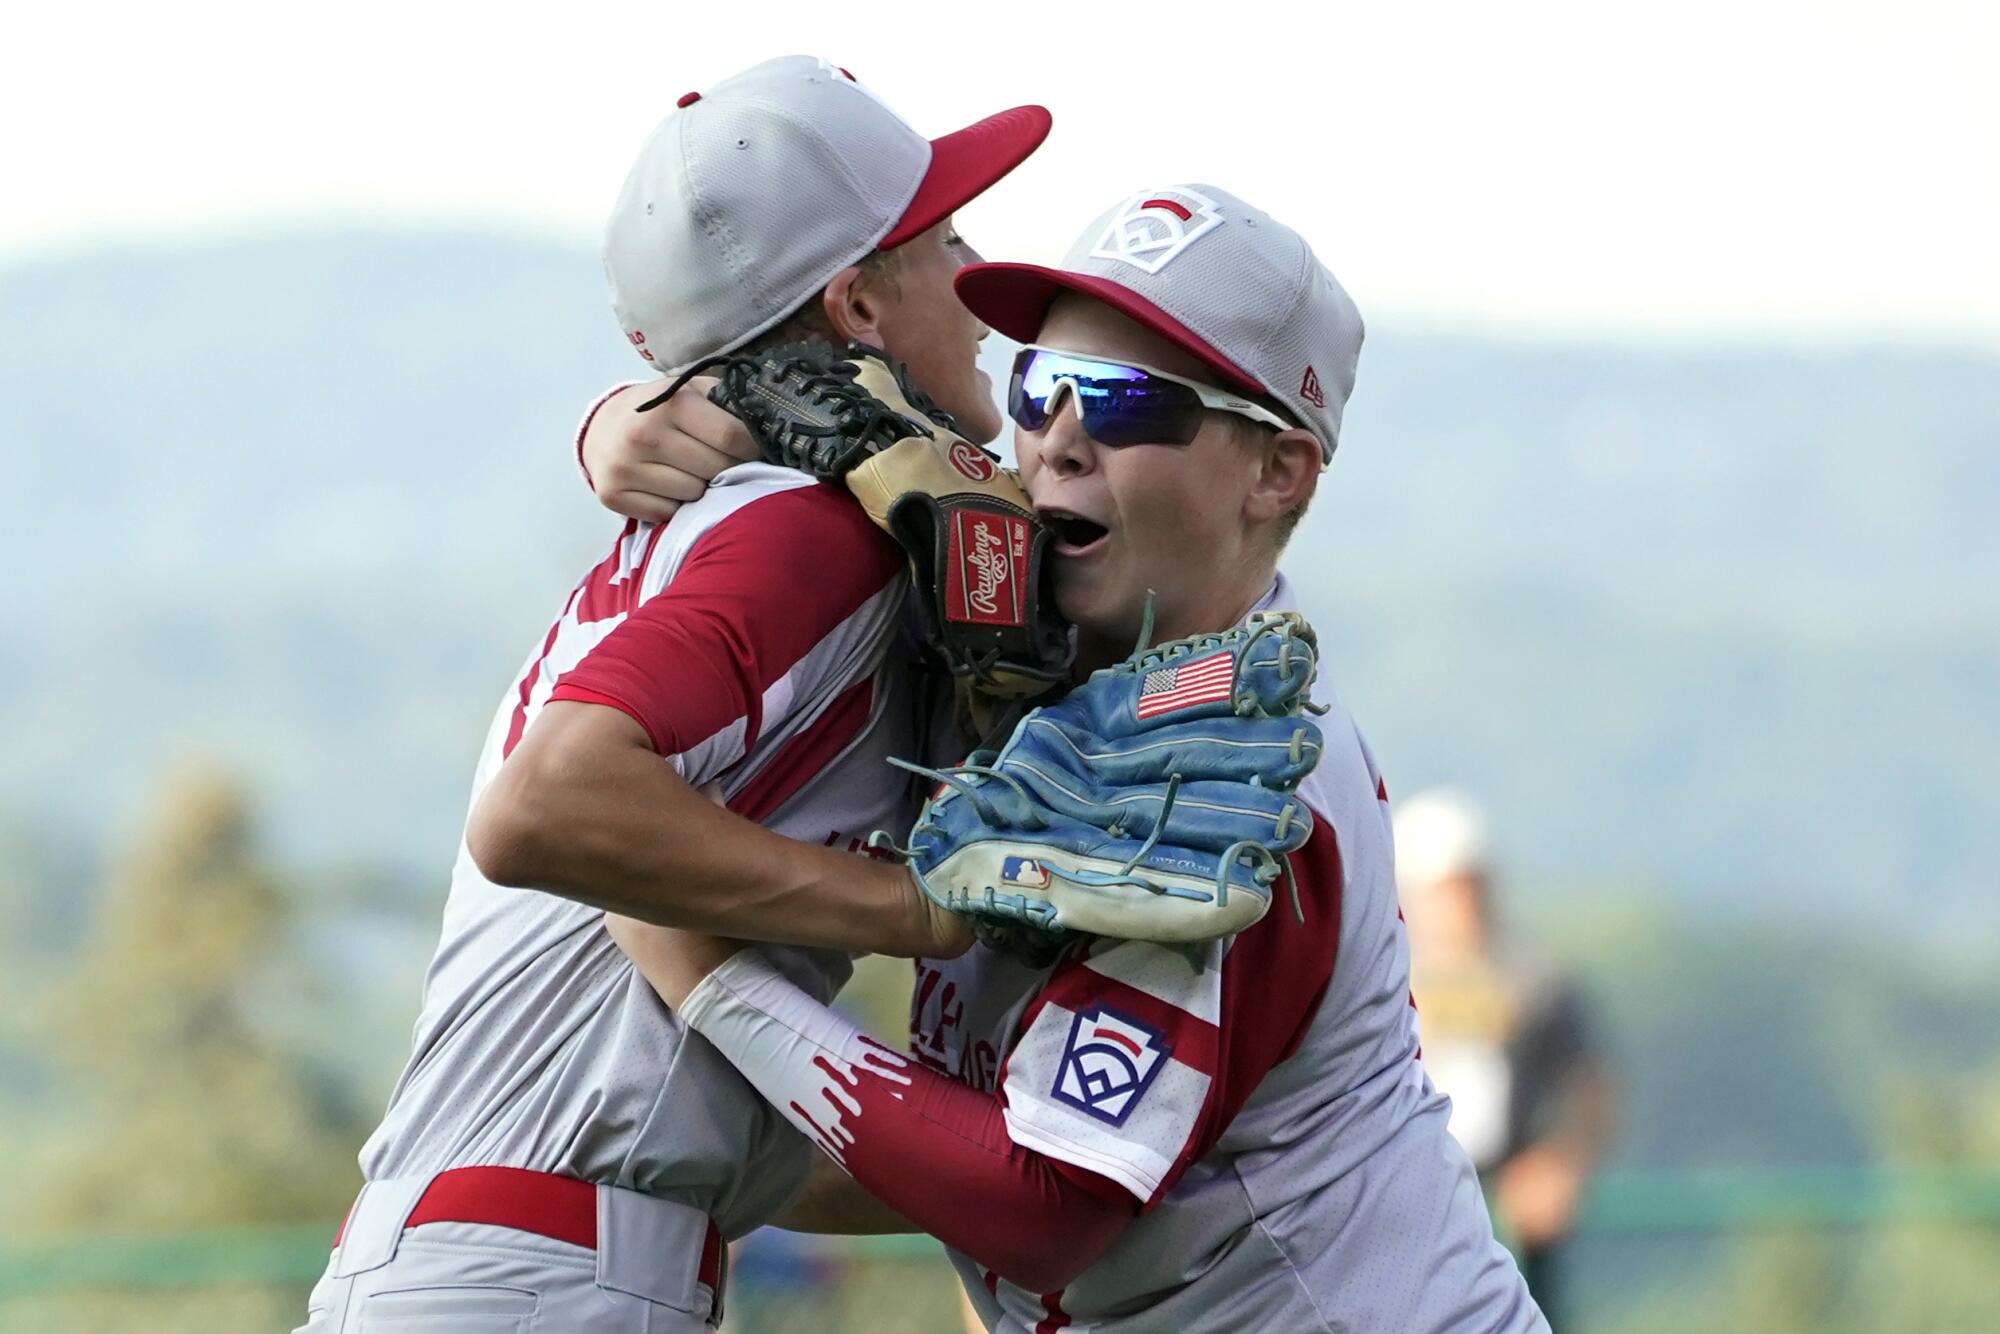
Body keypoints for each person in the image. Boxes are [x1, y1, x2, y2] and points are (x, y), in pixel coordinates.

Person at [607, 184, 1548, 1332]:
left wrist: (711, 976)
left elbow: (1046, 1204)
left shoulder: (1245, 786)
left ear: (1277, 471)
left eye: (1124, 399)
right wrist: (624, 425)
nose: (1057, 434)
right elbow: (951, 1143)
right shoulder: (1037, 685)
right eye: (1037, 385)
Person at [296, 56, 1049, 1334]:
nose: (979, 286)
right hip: (533, 1274)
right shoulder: (813, 529)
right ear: (857, 302)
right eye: (948, 241)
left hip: (506, 1254)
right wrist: (917, 913)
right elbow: (546, 806)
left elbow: (718, 1124)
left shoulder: (744, 525)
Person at [1396, 788, 1618, 1328]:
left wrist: (1561, 1162)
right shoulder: (1375, 977)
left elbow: (1590, 1083)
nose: (1462, 905)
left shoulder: (1532, 976)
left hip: (1509, 1211)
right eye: (1446, 890)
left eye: (1470, 887)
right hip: (1400, 1195)